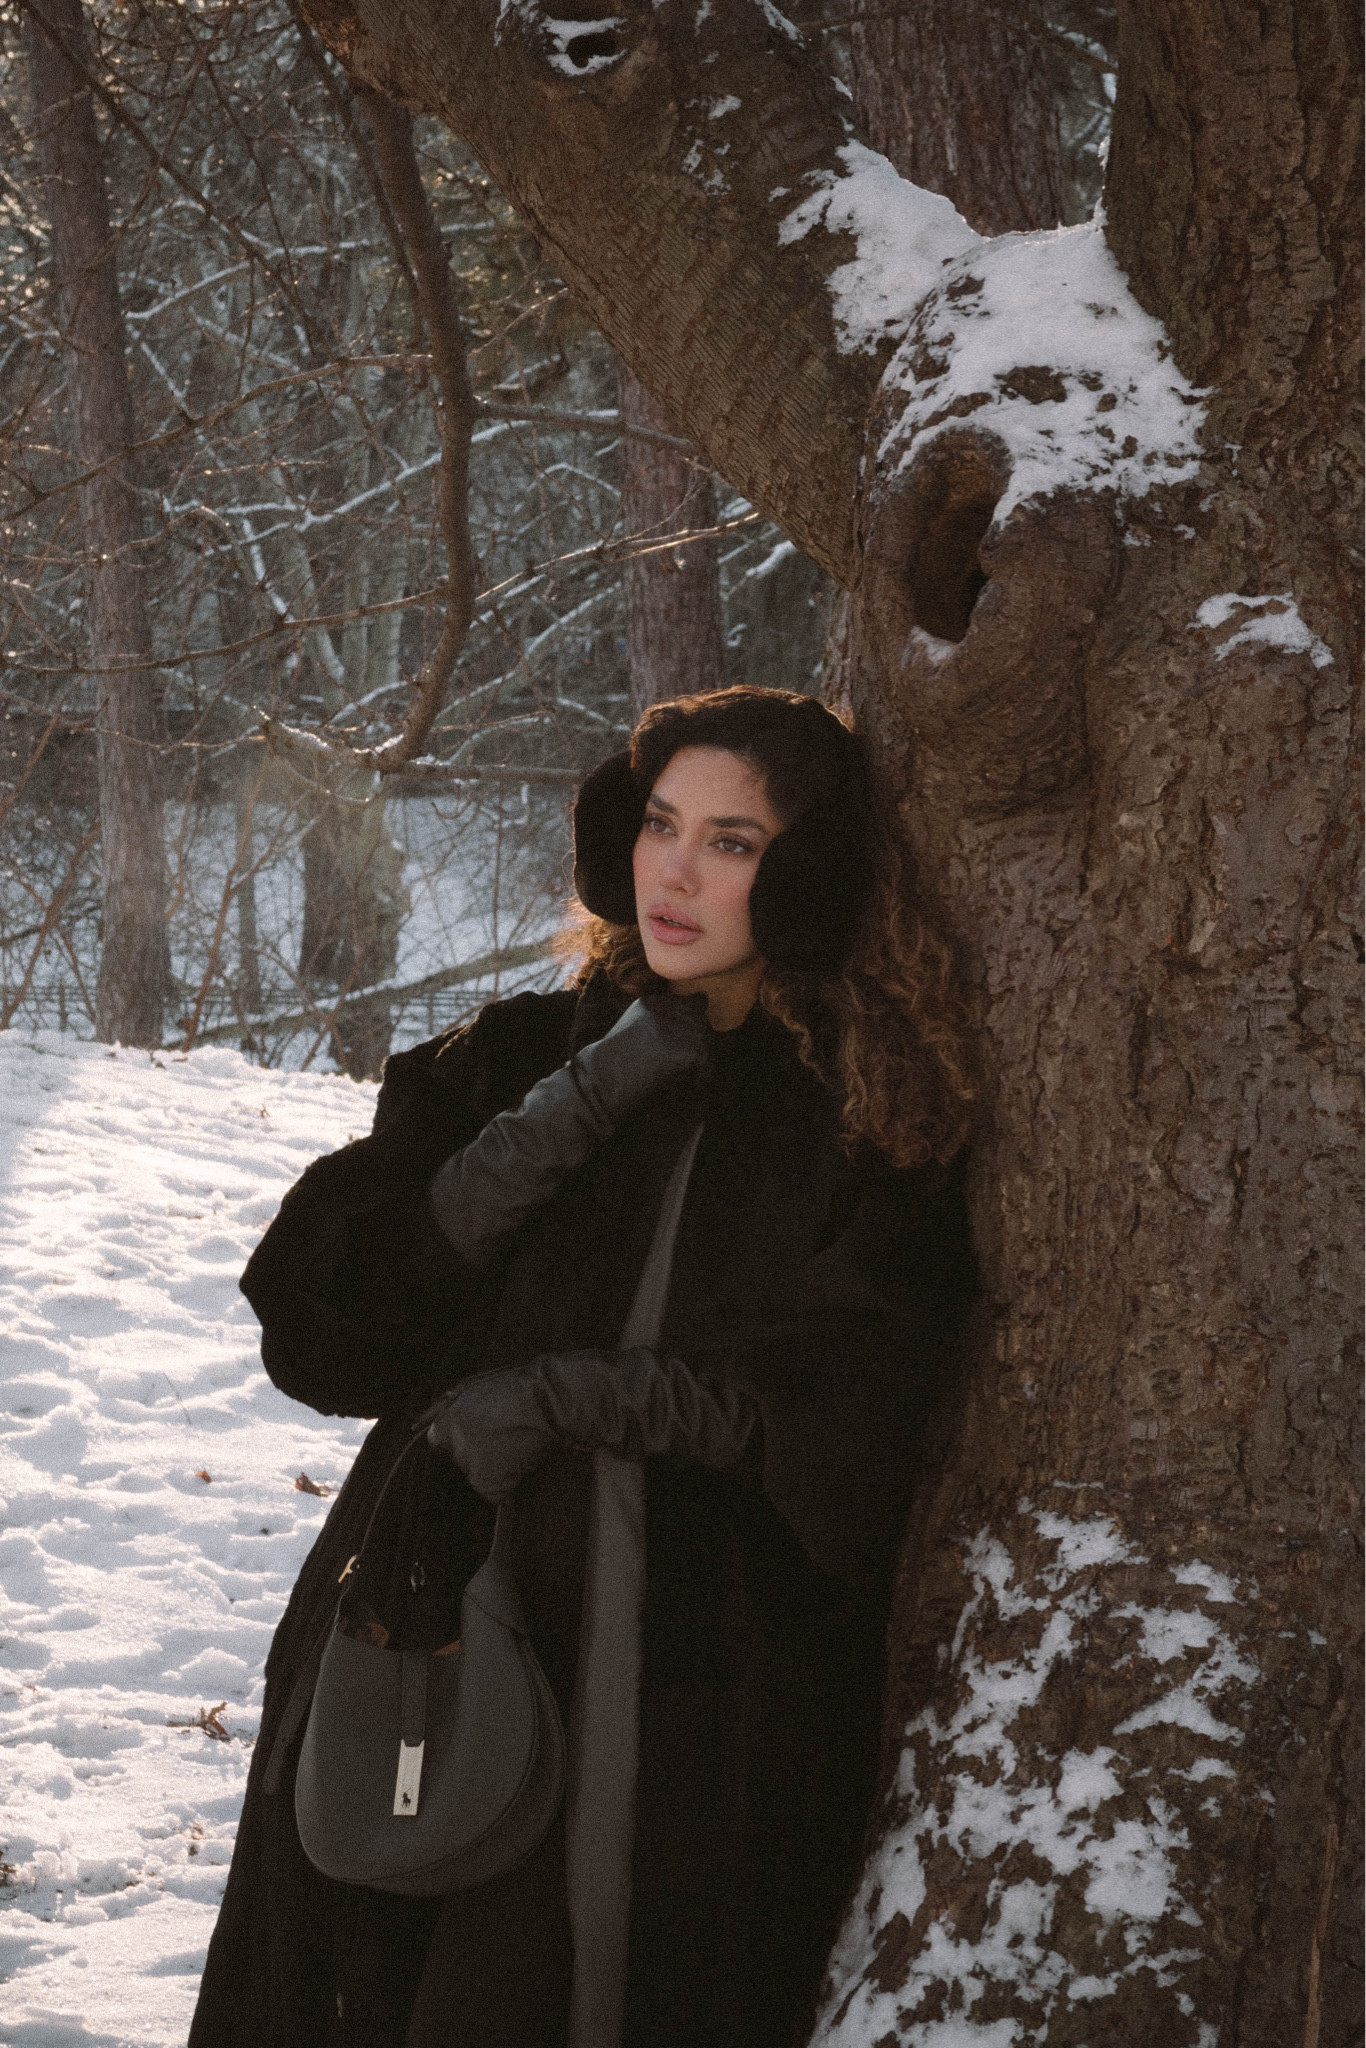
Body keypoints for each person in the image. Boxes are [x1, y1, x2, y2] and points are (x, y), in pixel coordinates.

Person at [189, 686, 977, 2048]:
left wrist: (564, 1399)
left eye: (733, 842)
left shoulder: (863, 1113)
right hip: (431, 1593)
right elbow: (326, 1327)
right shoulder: (514, 1057)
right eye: (662, 823)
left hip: (678, 1674)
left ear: (805, 876)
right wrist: (581, 1100)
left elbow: (848, 1421)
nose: (675, 869)